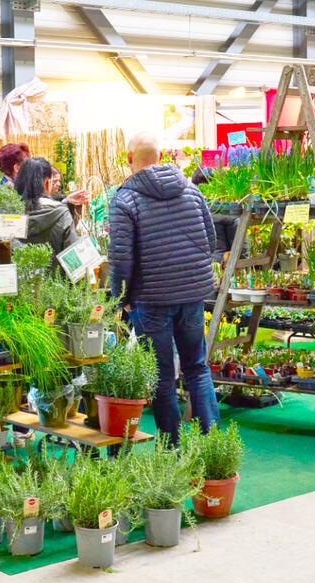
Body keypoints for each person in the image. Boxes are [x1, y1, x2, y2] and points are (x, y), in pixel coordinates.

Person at [108, 131, 220, 446]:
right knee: (197, 367)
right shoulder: (191, 190)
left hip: (151, 298)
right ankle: (211, 444)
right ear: (161, 156)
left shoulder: (126, 199)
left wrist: (121, 297)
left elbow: (120, 258)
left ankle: (171, 447)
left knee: (161, 376)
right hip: (192, 294)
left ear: (129, 158)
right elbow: (210, 240)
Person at [13, 157, 77, 256]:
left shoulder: (9, 212)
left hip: (18, 272)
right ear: (47, 183)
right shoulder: (61, 214)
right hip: (55, 271)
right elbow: (73, 258)